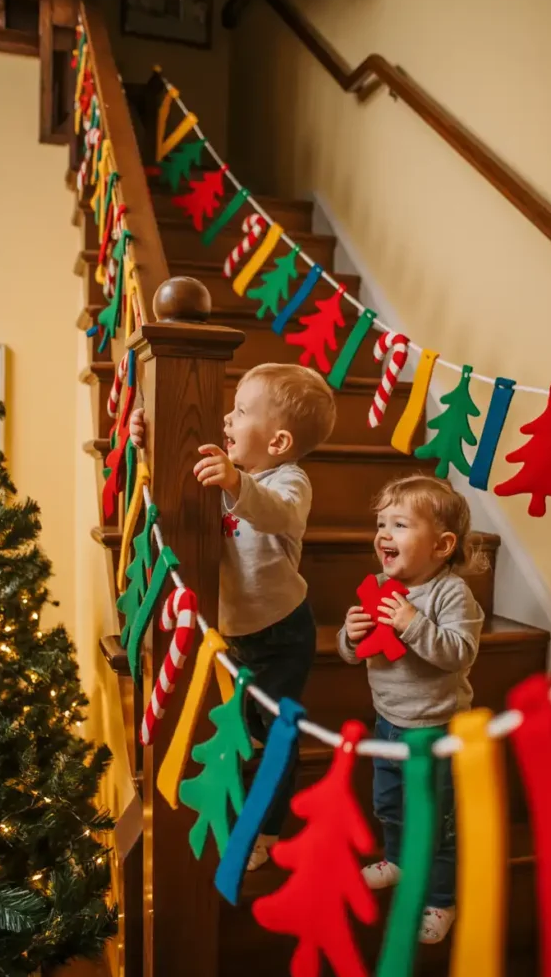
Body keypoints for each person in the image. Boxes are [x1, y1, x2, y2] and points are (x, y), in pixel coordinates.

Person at [130, 362, 336, 871]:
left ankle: (265, 830)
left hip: (281, 635)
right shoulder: (232, 464)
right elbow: (182, 451)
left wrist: (236, 482)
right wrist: (145, 435)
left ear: (280, 440)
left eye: (241, 410)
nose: (226, 416)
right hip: (232, 632)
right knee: (235, 731)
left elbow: (274, 512)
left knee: (275, 736)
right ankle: (235, 804)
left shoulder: (290, 482)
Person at [338, 474, 485, 944]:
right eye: (381, 524)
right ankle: (398, 860)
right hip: (387, 719)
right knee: (388, 803)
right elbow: (353, 652)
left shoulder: (450, 594)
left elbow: (459, 652)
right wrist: (351, 634)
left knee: (435, 818)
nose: (384, 534)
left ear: (442, 545)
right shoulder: (379, 585)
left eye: (399, 524)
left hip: (435, 727)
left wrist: (412, 623)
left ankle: (441, 899)